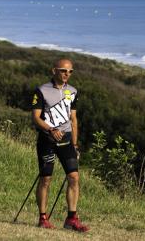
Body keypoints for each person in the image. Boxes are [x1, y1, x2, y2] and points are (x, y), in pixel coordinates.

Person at [31, 58, 89, 232]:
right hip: (47, 140)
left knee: (74, 177)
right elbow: (36, 117)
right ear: (54, 70)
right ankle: (43, 218)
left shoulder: (72, 91)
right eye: (64, 71)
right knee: (46, 179)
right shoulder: (42, 90)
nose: (67, 74)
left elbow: (73, 119)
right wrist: (50, 129)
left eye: (70, 71)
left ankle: (71, 218)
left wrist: (75, 144)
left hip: (66, 140)